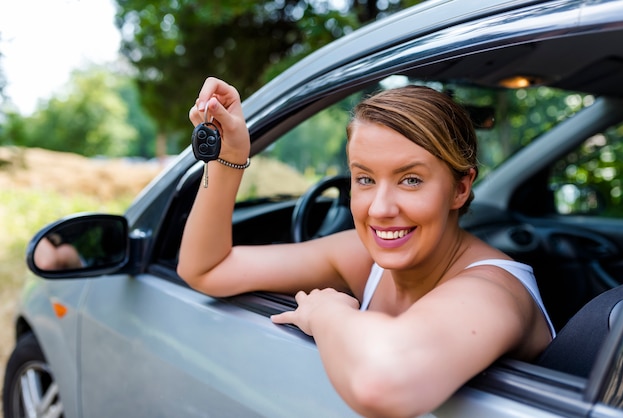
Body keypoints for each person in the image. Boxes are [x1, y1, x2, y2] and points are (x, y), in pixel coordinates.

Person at [177, 77, 555, 418]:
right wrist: (229, 157)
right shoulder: (363, 257)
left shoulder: (494, 290)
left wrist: (326, 313)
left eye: (410, 180)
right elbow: (206, 269)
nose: (380, 208)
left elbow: (382, 382)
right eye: (364, 178)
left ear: (460, 187)